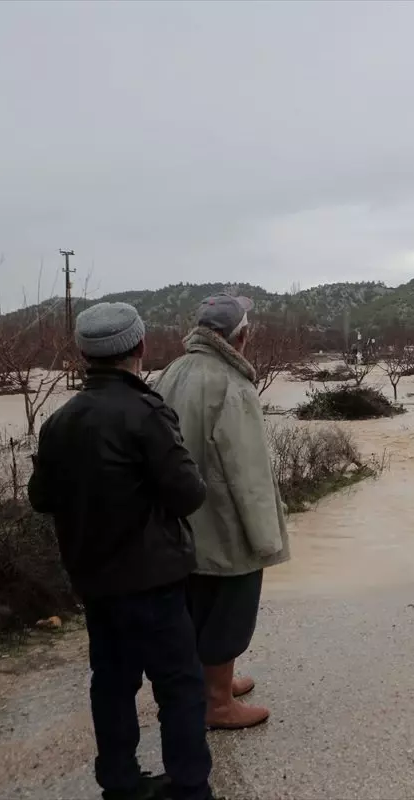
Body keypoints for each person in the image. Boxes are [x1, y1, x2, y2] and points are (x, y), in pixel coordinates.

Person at [28, 303, 216, 800]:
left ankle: (119, 782)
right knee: (179, 685)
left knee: (111, 684)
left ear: (84, 355)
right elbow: (187, 495)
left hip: (94, 581)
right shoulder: (146, 413)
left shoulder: (59, 422)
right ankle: (191, 788)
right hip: (153, 580)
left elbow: (41, 498)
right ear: (141, 347)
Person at [154, 294, 289, 730]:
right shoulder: (232, 383)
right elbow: (248, 472)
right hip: (224, 521)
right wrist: (266, 539)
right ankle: (217, 703)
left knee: (197, 606)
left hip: (183, 520)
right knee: (229, 611)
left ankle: (213, 685)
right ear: (241, 336)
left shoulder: (173, 371)